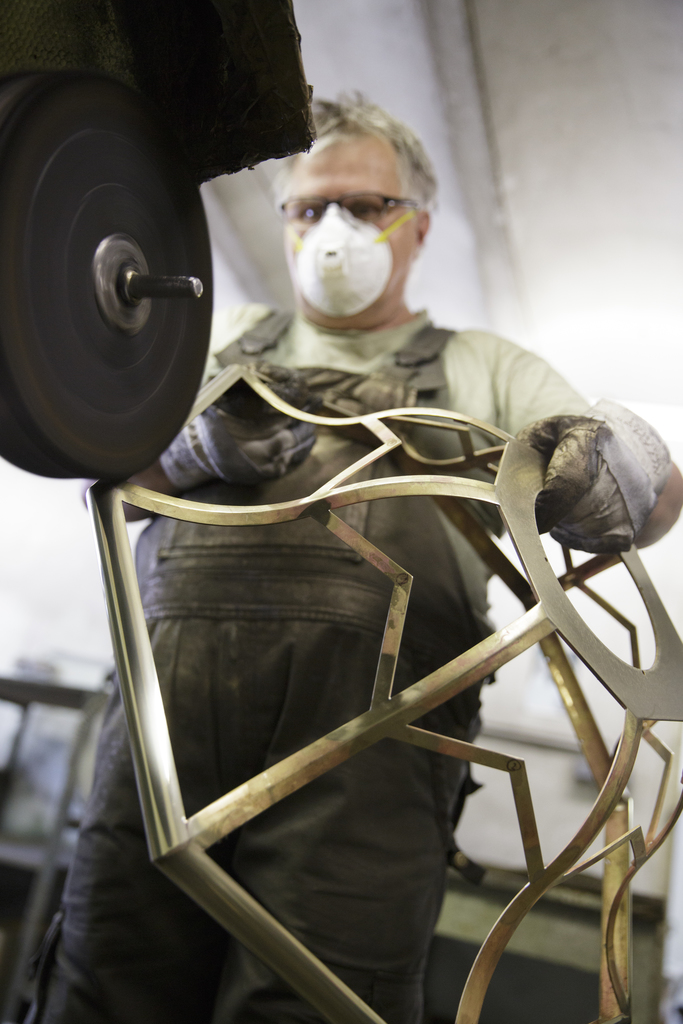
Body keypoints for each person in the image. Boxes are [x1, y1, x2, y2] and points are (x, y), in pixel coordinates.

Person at [37, 96, 682, 1024]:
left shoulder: (483, 368)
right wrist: (187, 447)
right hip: (162, 729)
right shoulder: (215, 334)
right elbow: (101, 471)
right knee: (106, 981)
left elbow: (651, 504)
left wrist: (609, 470)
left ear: (416, 226)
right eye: (309, 208)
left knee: (313, 1003)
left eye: (366, 206)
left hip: (376, 749)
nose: (332, 229)